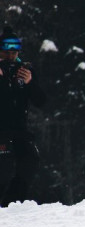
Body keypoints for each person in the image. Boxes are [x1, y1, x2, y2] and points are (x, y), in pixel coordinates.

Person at [0, 26, 47, 207]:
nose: (11, 56)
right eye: (6, 52)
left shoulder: (24, 70)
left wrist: (29, 83)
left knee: (30, 162)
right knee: (2, 171)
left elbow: (41, 101)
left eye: (14, 52)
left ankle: (11, 204)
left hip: (19, 130)